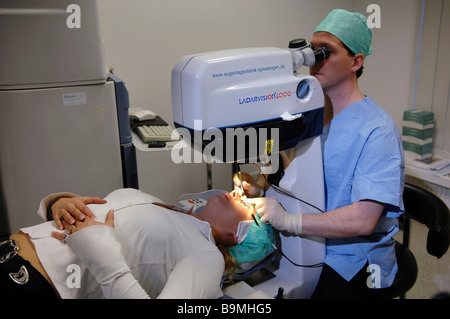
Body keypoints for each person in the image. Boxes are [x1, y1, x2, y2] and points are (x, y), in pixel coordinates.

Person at [236, 9, 405, 298]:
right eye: (312, 51)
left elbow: (364, 220)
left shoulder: (377, 129)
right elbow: (298, 174)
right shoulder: (309, 115)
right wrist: (264, 189)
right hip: (307, 239)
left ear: (356, 61)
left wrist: (290, 222)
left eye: (325, 52)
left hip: (351, 257)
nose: (314, 61)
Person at [1, 188, 274, 299]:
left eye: (247, 205)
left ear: (238, 235)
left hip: (28, 284)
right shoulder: (154, 199)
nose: (239, 193)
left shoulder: (206, 257)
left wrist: (101, 253)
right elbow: (89, 211)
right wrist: (59, 203)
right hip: (8, 245)